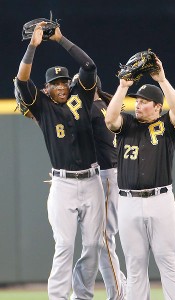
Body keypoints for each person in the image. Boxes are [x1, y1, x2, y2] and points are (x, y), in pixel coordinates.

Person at [14, 21, 105, 300]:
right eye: (55, 84)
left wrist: (62, 40)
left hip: (92, 181)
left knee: (92, 246)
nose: (62, 86)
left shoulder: (82, 98)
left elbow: (89, 66)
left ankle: (83, 295)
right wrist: (33, 46)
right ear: (47, 89)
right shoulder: (42, 108)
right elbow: (21, 80)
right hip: (63, 184)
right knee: (65, 245)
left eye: (64, 81)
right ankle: (58, 298)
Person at [105, 56, 175, 300]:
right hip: (128, 202)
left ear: (157, 107)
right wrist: (123, 87)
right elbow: (110, 119)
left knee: (169, 262)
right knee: (135, 265)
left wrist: (162, 80)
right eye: (137, 101)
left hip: (160, 200)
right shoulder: (128, 124)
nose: (138, 105)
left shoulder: (167, 127)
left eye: (144, 102)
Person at [91, 76, 126, 300]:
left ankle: (119, 294)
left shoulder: (93, 108)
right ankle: (122, 288)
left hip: (107, 176)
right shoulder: (104, 105)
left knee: (104, 239)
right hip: (114, 174)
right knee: (102, 239)